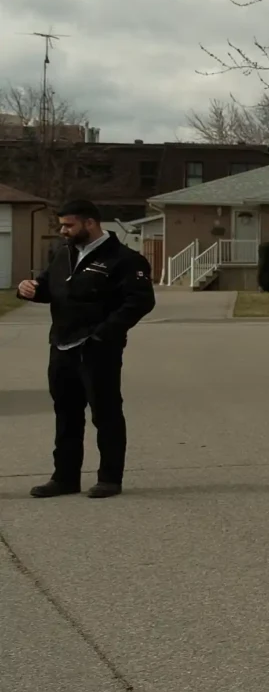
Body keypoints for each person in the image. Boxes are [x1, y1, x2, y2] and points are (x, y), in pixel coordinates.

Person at [17, 198, 155, 499]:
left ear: (90, 223)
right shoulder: (63, 255)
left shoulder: (124, 259)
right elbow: (48, 288)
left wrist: (103, 335)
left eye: (69, 225)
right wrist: (29, 290)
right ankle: (65, 478)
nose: (62, 230)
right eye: (62, 225)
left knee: (105, 414)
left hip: (98, 350)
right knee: (66, 414)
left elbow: (140, 302)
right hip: (61, 347)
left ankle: (109, 478)